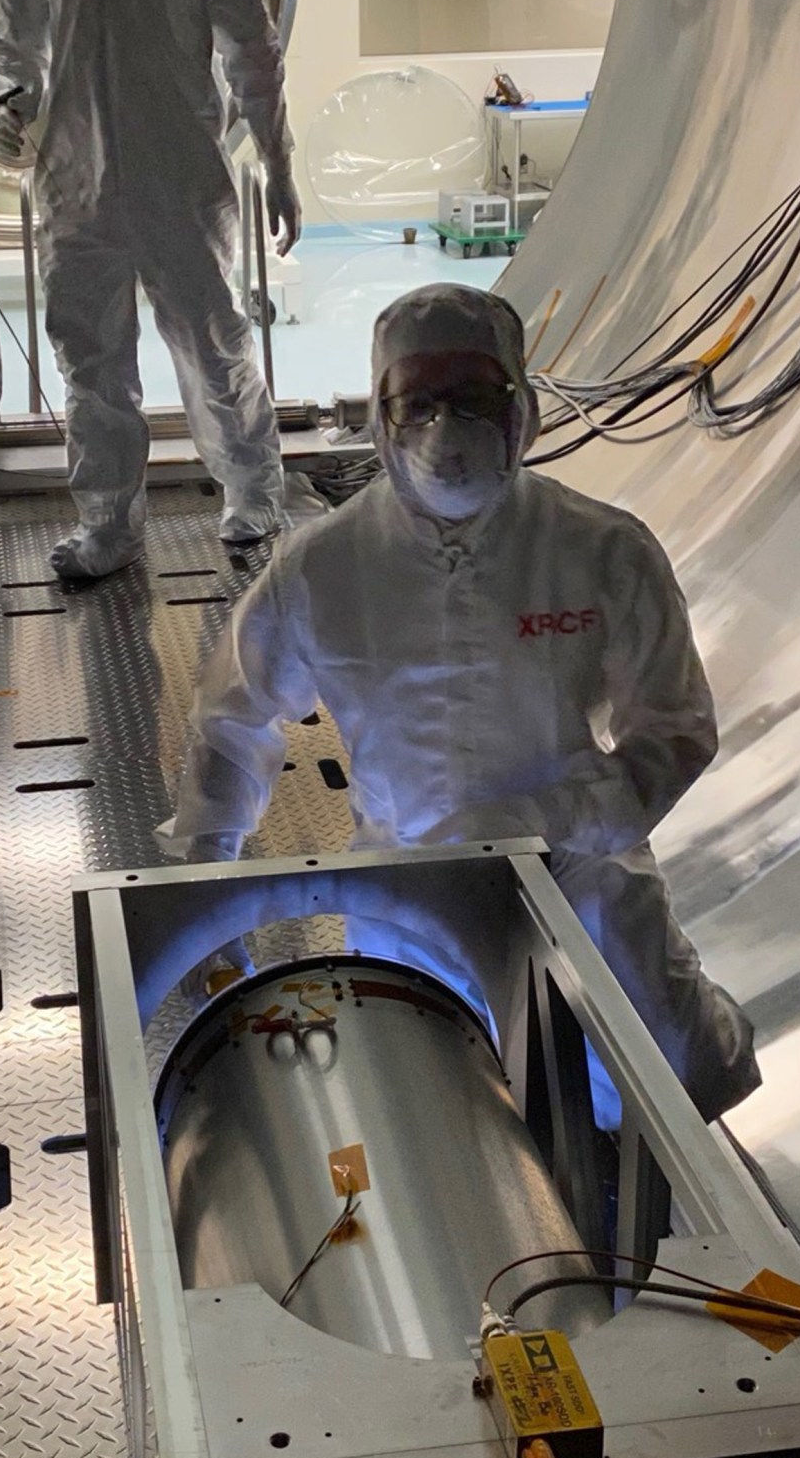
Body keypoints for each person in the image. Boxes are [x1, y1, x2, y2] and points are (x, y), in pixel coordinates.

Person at [157, 284, 762, 1119]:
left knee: (672, 1073)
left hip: (576, 872)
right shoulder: (325, 568)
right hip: (405, 885)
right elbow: (234, 718)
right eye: (420, 401)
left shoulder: (600, 551)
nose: (446, 429)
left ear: (522, 408)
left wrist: (545, 815)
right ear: (382, 412)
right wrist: (203, 873)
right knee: (434, 1115)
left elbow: (676, 731)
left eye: (474, 398)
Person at [0, 0, 295, 583]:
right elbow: (15, 52)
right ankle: (108, 527)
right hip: (77, 186)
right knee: (92, 366)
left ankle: (252, 496)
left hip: (180, 181)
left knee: (214, 346)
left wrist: (279, 158)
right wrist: (7, 104)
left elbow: (253, 52)